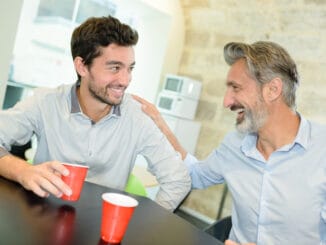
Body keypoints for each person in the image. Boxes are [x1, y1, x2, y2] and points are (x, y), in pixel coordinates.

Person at [133, 41, 326, 244]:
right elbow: (193, 175)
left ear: (273, 89)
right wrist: (160, 126)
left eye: (236, 88)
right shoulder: (235, 144)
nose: (226, 102)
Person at [0, 16, 191, 211]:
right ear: (82, 66)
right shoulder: (45, 102)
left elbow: (178, 179)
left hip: (104, 226)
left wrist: (144, 227)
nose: (125, 80)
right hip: (43, 217)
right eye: (115, 68)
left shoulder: (137, 117)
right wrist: (22, 170)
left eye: (129, 68)